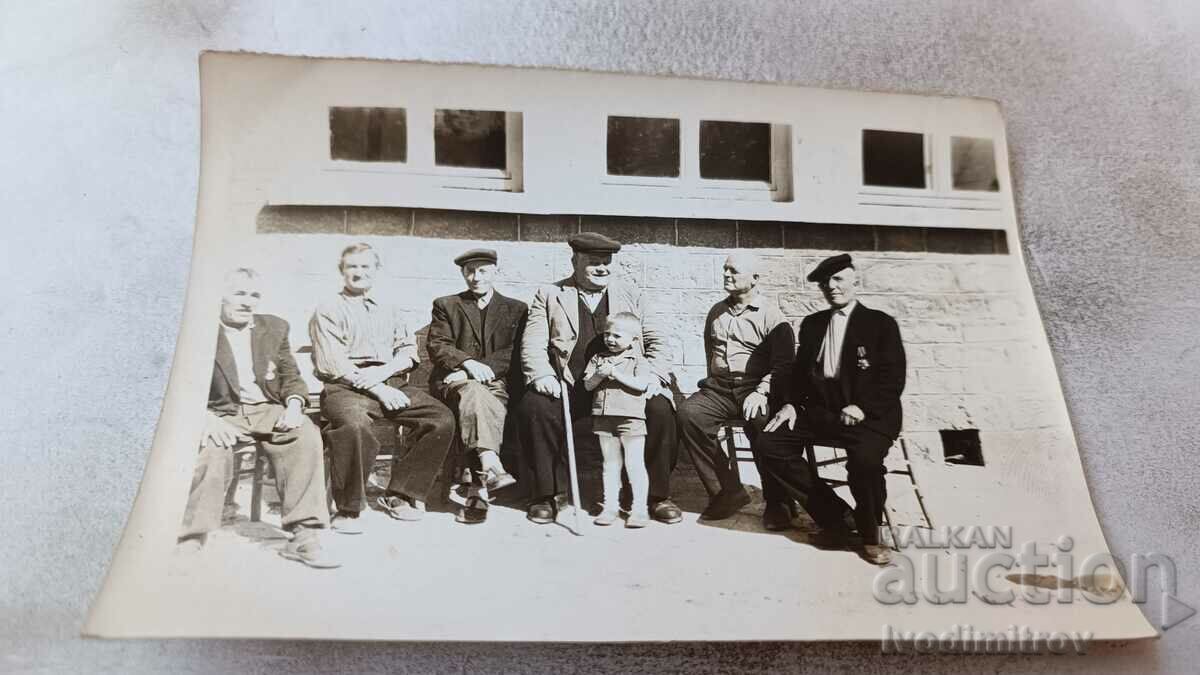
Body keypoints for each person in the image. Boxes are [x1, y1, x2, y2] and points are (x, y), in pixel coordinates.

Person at [516, 232, 682, 525]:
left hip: (624, 387)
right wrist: (542, 374)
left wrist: (654, 376)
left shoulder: (632, 293)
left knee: (659, 409)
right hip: (571, 386)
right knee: (534, 406)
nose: (602, 268)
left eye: (606, 262)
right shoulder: (550, 294)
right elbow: (533, 343)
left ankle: (655, 497)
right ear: (575, 261)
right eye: (594, 263)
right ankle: (549, 495)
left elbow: (658, 341)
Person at [178, 267, 338, 568]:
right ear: (219, 296)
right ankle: (192, 537)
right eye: (239, 293)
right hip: (221, 411)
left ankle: (304, 534)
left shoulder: (274, 327)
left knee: (304, 435)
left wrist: (293, 405)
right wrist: (205, 419)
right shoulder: (196, 329)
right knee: (214, 450)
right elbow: (180, 383)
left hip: (267, 408)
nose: (247, 302)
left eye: (254, 295)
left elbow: (291, 375)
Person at [756, 253, 906, 565]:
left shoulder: (880, 324)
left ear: (856, 282)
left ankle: (870, 535)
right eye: (826, 283)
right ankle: (835, 515)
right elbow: (799, 374)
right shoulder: (812, 325)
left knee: (865, 462)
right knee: (770, 443)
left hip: (871, 417)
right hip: (824, 413)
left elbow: (893, 378)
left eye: (838, 280)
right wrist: (791, 405)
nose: (831, 287)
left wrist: (863, 407)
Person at [309, 243, 455, 532]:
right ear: (342, 271)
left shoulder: (389, 308)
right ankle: (349, 508)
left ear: (376, 271)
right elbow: (332, 363)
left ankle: (400, 493)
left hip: (389, 380)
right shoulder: (328, 310)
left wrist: (386, 373)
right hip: (346, 386)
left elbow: (407, 350)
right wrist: (379, 388)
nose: (359, 273)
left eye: (365, 267)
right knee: (354, 426)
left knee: (441, 419)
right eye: (352, 266)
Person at [676, 252, 796, 528]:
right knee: (689, 414)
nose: (727, 275)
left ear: (755, 279)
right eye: (725, 270)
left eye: (734, 271)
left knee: (762, 423)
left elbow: (785, 364)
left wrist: (763, 390)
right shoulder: (716, 312)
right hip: (719, 389)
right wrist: (713, 386)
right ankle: (728, 491)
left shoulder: (773, 317)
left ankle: (778, 500)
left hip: (755, 389)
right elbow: (711, 353)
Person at [426, 248, 527, 525]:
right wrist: (467, 364)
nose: (475, 277)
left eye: (482, 270)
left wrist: (474, 373)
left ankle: (477, 485)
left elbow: (514, 352)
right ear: (462, 273)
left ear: (495, 271)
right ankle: (488, 469)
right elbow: (438, 345)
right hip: (453, 384)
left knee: (476, 396)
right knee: (472, 393)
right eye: (469, 271)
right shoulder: (446, 305)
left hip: (495, 383)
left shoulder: (517, 309)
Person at [583, 312, 654, 528]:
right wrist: (600, 374)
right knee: (610, 464)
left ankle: (639, 509)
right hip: (604, 418)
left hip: (630, 418)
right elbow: (587, 385)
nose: (610, 339)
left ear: (634, 340)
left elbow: (642, 385)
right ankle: (610, 507)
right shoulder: (598, 359)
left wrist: (615, 373)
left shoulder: (639, 360)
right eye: (607, 334)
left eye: (617, 336)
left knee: (634, 464)